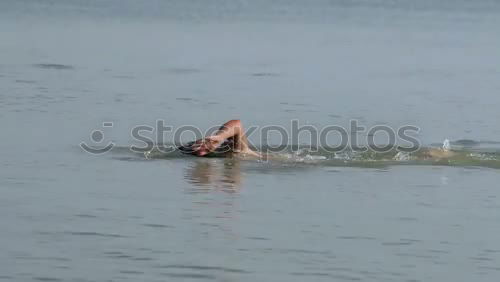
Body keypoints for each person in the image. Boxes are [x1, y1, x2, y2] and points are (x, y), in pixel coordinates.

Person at [179, 119, 261, 158]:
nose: (201, 151)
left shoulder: (240, 151)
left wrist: (220, 136)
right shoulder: (216, 153)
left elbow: (237, 124)